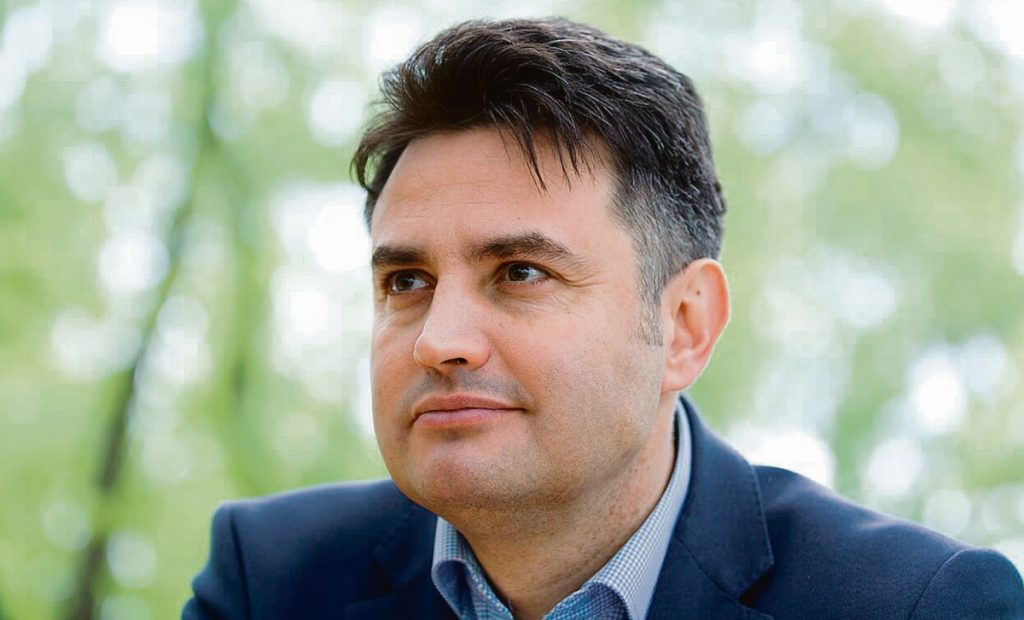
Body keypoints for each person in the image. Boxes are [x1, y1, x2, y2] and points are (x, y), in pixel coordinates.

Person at [183, 17, 1024, 620]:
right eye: (406, 281)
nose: (439, 340)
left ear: (686, 326)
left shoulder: (919, 604)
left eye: (520, 273)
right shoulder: (270, 582)